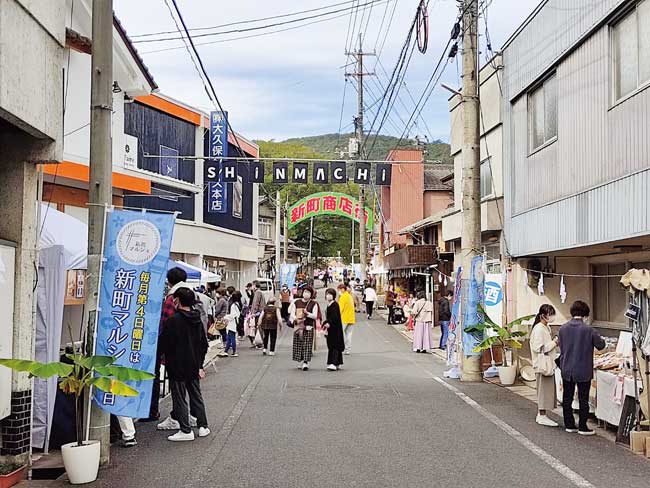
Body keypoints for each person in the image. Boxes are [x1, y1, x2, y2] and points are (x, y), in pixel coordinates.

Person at [158, 288, 210, 442]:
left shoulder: (172, 321)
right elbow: (203, 344)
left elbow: (164, 344)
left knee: (179, 397)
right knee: (196, 395)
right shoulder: (197, 319)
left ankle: (185, 429)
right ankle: (203, 426)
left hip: (177, 364)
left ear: (178, 300)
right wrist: (200, 365)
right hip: (194, 364)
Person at [144, 267, 189, 422]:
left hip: (172, 346)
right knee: (185, 384)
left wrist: (159, 347)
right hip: (187, 346)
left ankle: (178, 419)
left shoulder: (172, 298)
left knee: (173, 382)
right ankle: (189, 416)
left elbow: (164, 323)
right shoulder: (191, 295)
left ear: (169, 281)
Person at [558, 300, 605, 436]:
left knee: (567, 397)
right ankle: (583, 426)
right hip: (583, 369)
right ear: (586, 314)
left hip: (566, 368)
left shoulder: (562, 329)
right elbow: (601, 345)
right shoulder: (589, 330)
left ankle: (569, 424)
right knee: (583, 398)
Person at [530, 304, 559, 427]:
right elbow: (540, 348)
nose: (551, 317)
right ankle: (541, 415)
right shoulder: (539, 329)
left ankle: (542, 414)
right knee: (543, 390)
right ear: (543, 315)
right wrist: (555, 342)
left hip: (547, 363)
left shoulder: (545, 327)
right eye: (549, 314)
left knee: (546, 390)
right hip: (543, 364)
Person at [290, 286, 320, 370]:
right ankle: (301, 360)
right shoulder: (296, 302)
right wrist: (295, 318)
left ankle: (306, 362)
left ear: (311, 294)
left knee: (307, 344)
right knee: (298, 344)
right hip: (298, 326)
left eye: (308, 292)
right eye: (305, 292)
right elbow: (292, 313)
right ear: (302, 293)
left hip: (308, 326)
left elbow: (315, 316)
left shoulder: (314, 303)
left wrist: (307, 314)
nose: (306, 294)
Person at [323, 288, 345, 371]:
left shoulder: (335, 304)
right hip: (331, 328)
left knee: (334, 345)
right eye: (327, 294)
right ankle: (336, 362)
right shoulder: (329, 304)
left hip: (335, 328)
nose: (328, 296)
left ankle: (334, 363)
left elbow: (334, 316)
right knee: (332, 345)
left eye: (330, 294)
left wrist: (329, 323)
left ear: (334, 296)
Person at [338, 283, 356, 355]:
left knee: (341, 334)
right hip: (351, 318)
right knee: (349, 334)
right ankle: (348, 349)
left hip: (344, 318)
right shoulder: (349, 296)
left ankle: (342, 348)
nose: (338, 291)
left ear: (342, 289)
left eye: (339, 290)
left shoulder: (343, 297)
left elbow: (340, 309)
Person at [224, 291, 242, 357]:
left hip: (232, 323)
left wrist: (226, 317)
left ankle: (234, 352)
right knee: (229, 337)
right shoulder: (237, 304)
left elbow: (233, 315)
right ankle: (226, 351)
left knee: (231, 337)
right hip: (234, 322)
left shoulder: (233, 305)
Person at [213, 288, 229, 356]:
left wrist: (215, 315)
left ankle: (224, 344)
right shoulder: (225, 299)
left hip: (220, 317)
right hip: (224, 317)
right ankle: (225, 344)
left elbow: (217, 309)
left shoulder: (221, 300)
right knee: (223, 331)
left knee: (222, 332)